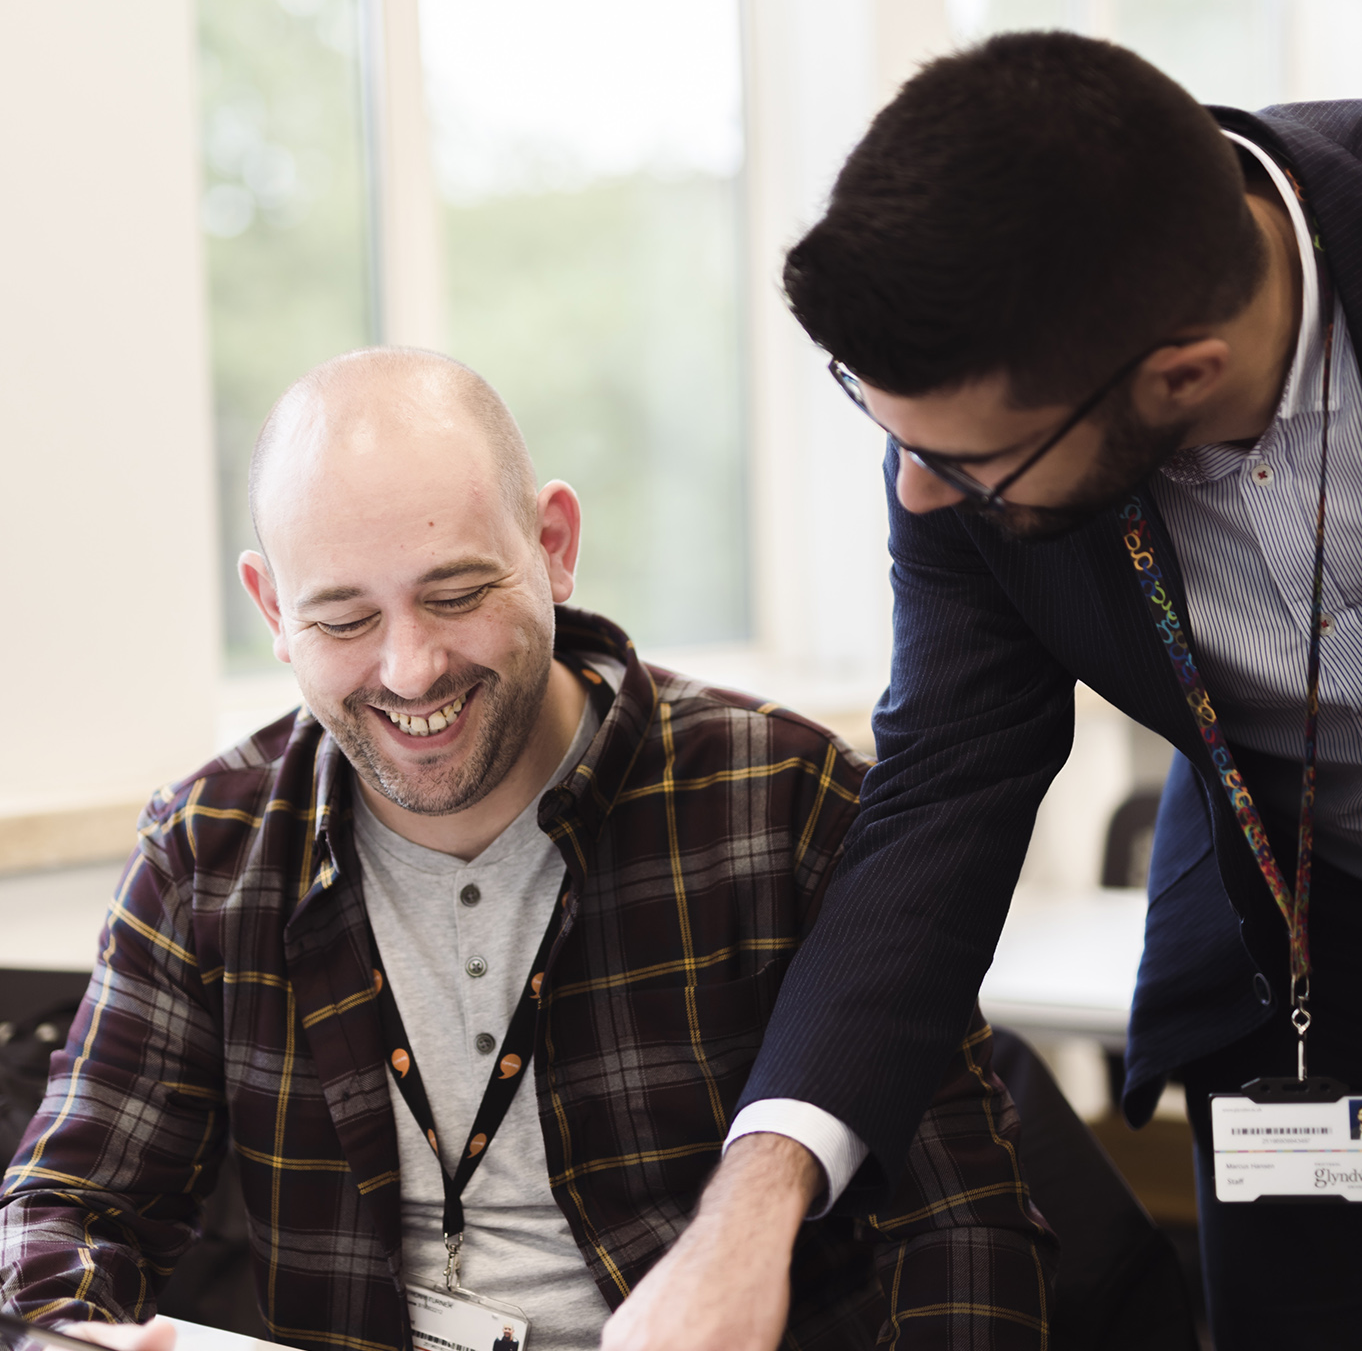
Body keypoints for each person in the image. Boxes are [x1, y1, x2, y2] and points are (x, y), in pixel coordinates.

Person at [0, 348, 1054, 1350]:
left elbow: (963, 1223)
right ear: (273, 609)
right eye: (343, 619)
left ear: (552, 544)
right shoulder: (209, 849)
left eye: (455, 594)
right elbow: (69, 1202)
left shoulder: (776, 796)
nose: (410, 670)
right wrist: (63, 1327)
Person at [603, 31, 1362, 1351]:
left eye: (961, 465)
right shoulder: (978, 397)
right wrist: (752, 1208)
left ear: (1178, 372)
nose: (910, 494)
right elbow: (941, 795)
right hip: (1286, 943)